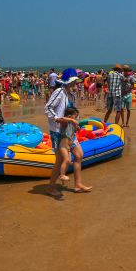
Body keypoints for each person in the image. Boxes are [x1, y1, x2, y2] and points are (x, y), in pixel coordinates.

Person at [45, 70, 92, 198]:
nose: (75, 83)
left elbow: (72, 111)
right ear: (68, 81)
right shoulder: (59, 92)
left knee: (79, 154)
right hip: (58, 131)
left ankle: (78, 185)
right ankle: (50, 188)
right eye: (73, 80)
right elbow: (48, 108)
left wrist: (75, 123)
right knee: (60, 160)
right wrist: (57, 119)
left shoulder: (71, 93)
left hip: (70, 131)